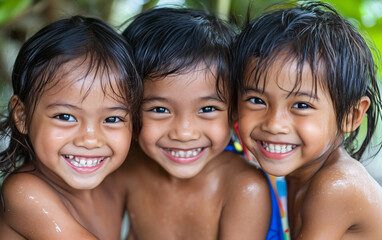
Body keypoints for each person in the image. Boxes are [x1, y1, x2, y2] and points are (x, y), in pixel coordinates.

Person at [109, 7, 284, 240]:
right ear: (130, 109)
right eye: (160, 110)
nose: (184, 133)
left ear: (234, 112)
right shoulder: (126, 169)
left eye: (207, 109)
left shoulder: (244, 187)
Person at [233, 1, 382, 239]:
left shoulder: (336, 186)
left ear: (351, 116)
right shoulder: (299, 171)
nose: (274, 124)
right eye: (257, 100)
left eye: (301, 105)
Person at [0, 16, 142, 239]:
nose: (90, 139)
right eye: (65, 116)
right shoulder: (25, 193)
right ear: (22, 116)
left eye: (112, 119)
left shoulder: (116, 180)